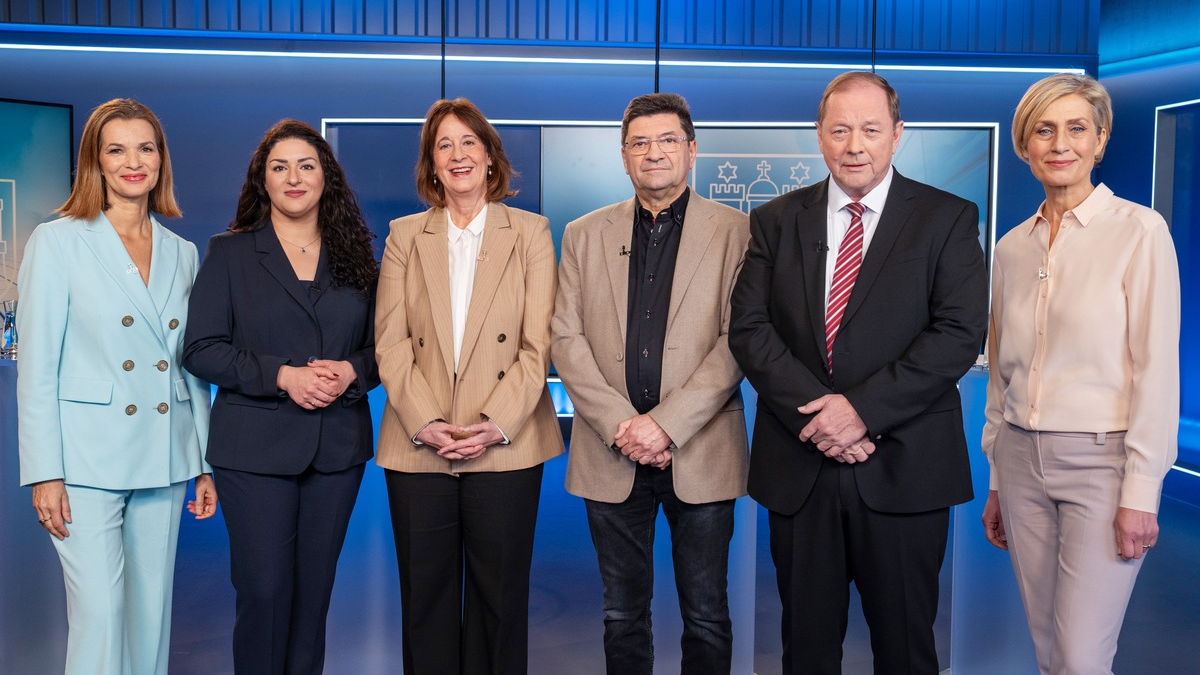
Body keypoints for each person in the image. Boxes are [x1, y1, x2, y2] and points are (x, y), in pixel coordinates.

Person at [729, 71, 989, 674]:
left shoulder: (947, 217)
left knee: (905, 648)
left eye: (870, 130)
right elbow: (749, 327)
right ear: (818, 136)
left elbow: (957, 333)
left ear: (897, 135)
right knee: (807, 649)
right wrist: (825, 418)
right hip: (802, 468)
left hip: (906, 465)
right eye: (840, 129)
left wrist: (861, 412)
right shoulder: (775, 220)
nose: (854, 145)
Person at [980, 73, 1180, 675]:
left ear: (1099, 140)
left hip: (1102, 462)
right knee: (1049, 649)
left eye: (1076, 129)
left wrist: (1141, 492)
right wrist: (996, 475)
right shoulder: (1012, 247)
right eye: (1044, 130)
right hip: (1019, 461)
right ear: (1024, 145)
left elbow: (1157, 370)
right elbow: (1002, 372)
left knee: (1080, 657)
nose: (1059, 143)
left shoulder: (1140, 232)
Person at [551, 92, 750, 675]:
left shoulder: (737, 230)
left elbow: (738, 341)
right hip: (609, 452)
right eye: (640, 143)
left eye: (667, 141)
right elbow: (566, 339)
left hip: (702, 449)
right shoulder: (584, 234)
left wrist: (664, 427)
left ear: (692, 150)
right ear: (623, 156)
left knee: (707, 613)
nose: (653, 153)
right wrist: (624, 427)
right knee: (620, 614)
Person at [17, 98, 217, 675]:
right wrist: (44, 472)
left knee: (151, 616)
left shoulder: (183, 252)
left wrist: (203, 462)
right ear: (95, 163)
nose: (134, 162)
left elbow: (191, 367)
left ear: (161, 160)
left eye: (146, 148)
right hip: (84, 462)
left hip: (163, 453)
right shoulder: (58, 242)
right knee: (100, 619)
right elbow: (38, 369)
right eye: (117, 149)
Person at [182, 119, 379, 674]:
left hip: (336, 450)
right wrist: (283, 376)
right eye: (279, 167)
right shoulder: (230, 253)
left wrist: (350, 371)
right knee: (264, 592)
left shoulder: (359, 259)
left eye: (307, 165)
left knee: (313, 598)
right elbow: (200, 348)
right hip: (253, 450)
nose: (294, 177)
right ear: (261, 181)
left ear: (326, 179)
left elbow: (383, 351)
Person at [374, 97, 563, 675]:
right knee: (424, 603)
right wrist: (426, 422)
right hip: (418, 447)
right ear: (432, 165)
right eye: (444, 145)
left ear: (489, 157)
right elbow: (391, 341)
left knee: (499, 605)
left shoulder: (531, 232)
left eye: (469, 143)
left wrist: (493, 426)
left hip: (506, 448)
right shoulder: (405, 234)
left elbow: (539, 345)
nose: (458, 155)